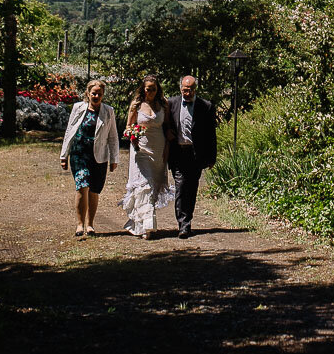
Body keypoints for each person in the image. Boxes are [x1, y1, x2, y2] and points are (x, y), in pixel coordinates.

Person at [59, 80, 118, 236]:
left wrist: (114, 159)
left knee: (94, 190)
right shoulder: (78, 108)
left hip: (99, 156)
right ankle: (79, 225)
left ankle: (90, 224)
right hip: (79, 153)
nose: (96, 96)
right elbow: (69, 131)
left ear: (103, 95)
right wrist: (64, 155)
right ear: (88, 93)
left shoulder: (108, 111)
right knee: (82, 185)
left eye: (99, 93)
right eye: (93, 93)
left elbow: (113, 137)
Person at [120, 74, 174, 239]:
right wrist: (133, 136)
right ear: (143, 89)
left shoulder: (163, 105)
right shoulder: (136, 105)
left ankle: (140, 224)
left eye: (154, 89)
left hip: (158, 148)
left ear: (158, 89)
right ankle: (148, 227)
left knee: (153, 186)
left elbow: (167, 127)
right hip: (141, 149)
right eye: (148, 89)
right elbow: (128, 128)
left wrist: (167, 147)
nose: (150, 92)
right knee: (145, 185)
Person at [164, 75, 217, 239]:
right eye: (185, 89)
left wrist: (211, 157)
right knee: (180, 187)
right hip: (178, 152)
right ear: (181, 88)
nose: (188, 93)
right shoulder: (171, 103)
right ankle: (183, 225)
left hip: (196, 154)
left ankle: (187, 220)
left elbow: (211, 134)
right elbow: (164, 124)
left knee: (191, 189)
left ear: (195, 89)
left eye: (191, 90)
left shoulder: (205, 106)